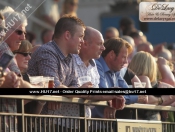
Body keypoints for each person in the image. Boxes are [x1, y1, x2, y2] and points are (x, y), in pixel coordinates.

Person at [28, 15, 124, 132]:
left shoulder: (70, 57)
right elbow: (54, 87)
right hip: (42, 123)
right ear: (67, 35)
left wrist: (111, 94)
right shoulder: (47, 52)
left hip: (60, 123)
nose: (83, 41)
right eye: (81, 36)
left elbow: (79, 91)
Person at [91, 38, 148, 128]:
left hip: (104, 125)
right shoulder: (97, 65)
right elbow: (105, 93)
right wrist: (137, 97)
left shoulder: (116, 71)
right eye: (123, 57)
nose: (126, 61)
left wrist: (114, 100)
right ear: (112, 55)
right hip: (90, 125)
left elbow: (127, 93)